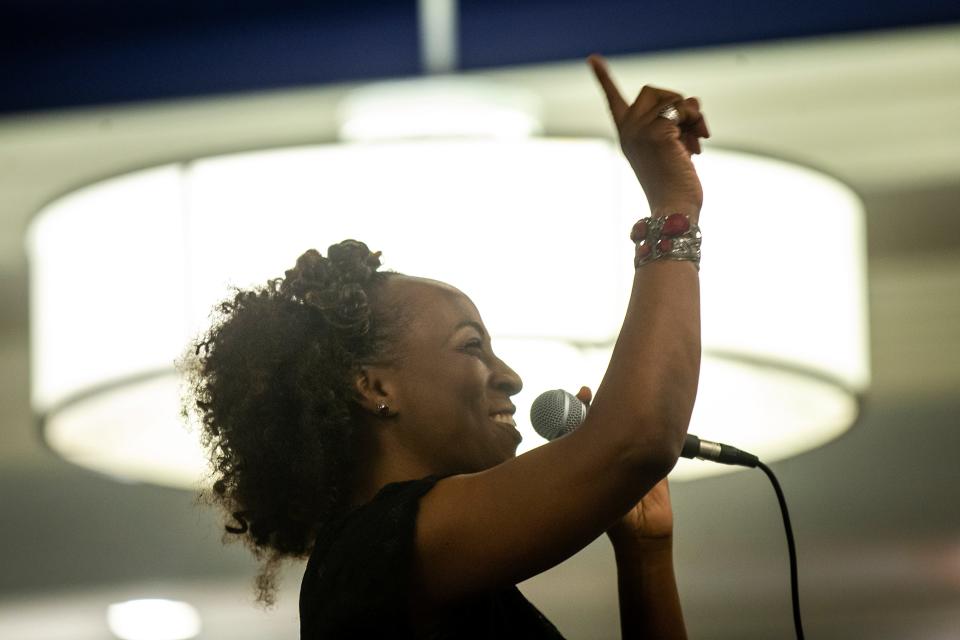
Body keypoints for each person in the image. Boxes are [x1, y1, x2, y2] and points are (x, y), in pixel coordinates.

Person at [177, 53, 708, 639]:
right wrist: (673, 209)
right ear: (375, 386)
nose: (509, 376)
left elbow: (634, 447)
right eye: (471, 345)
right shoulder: (368, 553)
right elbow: (636, 440)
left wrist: (645, 555)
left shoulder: (445, 577)